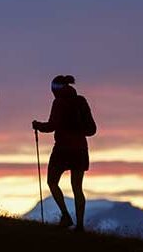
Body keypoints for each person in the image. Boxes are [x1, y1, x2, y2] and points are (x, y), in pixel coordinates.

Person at [32, 75, 96, 232]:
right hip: (80, 149)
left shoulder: (58, 102)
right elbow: (92, 129)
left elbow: (51, 125)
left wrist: (37, 125)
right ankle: (80, 225)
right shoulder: (81, 101)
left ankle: (66, 216)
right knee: (77, 188)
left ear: (55, 89)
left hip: (62, 149)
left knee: (52, 182)